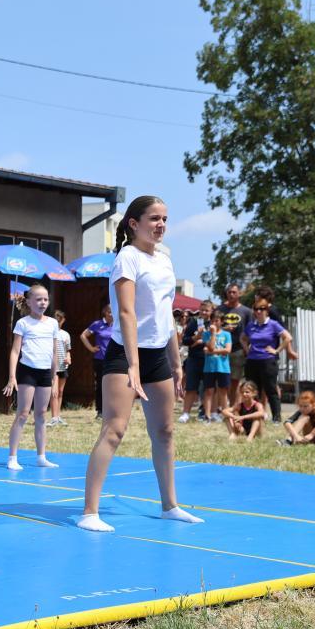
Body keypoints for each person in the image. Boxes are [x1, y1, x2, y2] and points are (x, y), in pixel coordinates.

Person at [76, 196, 203, 533]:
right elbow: (127, 312)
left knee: (165, 431)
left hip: (157, 355)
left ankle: (170, 506)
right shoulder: (127, 258)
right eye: (154, 219)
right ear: (134, 223)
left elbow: (166, 315)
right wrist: (132, 364)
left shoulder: (164, 261)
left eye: (165, 219)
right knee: (114, 430)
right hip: (124, 354)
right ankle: (89, 512)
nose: (161, 225)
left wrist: (176, 363)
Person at [3, 285, 60, 471]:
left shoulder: (53, 323)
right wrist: (12, 376)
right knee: (23, 413)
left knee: (42, 414)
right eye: (38, 299)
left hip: (45, 373)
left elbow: (54, 352)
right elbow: (15, 351)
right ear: (28, 302)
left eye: (45, 299)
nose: (42, 303)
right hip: (27, 371)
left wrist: (54, 378)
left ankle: (41, 456)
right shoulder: (23, 323)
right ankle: (12, 457)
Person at [241, 297, 294, 424]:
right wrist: (247, 350)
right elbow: (242, 338)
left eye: (262, 309)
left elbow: (288, 337)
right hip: (252, 361)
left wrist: (276, 350)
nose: (259, 311)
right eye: (256, 309)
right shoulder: (251, 325)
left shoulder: (273, 324)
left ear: (267, 310)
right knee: (253, 390)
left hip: (268, 361)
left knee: (271, 389)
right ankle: (255, 415)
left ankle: (276, 417)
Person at [178, 299, 213, 423]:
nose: (204, 312)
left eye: (207, 310)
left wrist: (205, 340)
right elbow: (185, 340)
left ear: (211, 311)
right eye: (202, 310)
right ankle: (185, 413)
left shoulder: (213, 323)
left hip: (209, 359)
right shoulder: (194, 322)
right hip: (194, 358)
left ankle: (206, 414)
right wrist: (196, 337)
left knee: (208, 388)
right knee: (191, 387)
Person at [218, 283, 252, 409]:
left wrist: (247, 348)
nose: (231, 294)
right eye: (229, 292)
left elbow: (251, 331)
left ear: (239, 294)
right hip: (220, 350)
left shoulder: (246, 311)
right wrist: (224, 329)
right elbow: (213, 327)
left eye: (234, 292)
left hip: (238, 350)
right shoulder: (220, 309)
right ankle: (221, 407)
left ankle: (233, 408)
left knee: (235, 381)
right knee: (221, 381)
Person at [80, 302, 113, 419]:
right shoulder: (97, 324)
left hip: (114, 360)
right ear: (105, 313)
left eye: (113, 312)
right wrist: (91, 348)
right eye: (110, 312)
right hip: (100, 360)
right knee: (100, 386)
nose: (112, 314)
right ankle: (100, 411)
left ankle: (112, 411)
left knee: (113, 386)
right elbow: (83, 336)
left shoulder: (118, 325)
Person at [199, 308, 231, 423]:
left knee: (223, 391)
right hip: (209, 368)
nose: (214, 323)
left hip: (223, 367)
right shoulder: (206, 334)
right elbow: (211, 346)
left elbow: (227, 350)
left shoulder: (227, 334)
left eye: (217, 321)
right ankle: (207, 416)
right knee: (209, 391)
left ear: (221, 322)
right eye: (212, 321)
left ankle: (226, 415)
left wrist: (211, 352)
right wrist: (213, 334)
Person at [49, 309, 72, 427]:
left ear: (63, 321)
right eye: (56, 320)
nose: (58, 322)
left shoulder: (65, 334)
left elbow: (68, 350)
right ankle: (53, 417)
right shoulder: (48, 333)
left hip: (63, 366)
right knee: (54, 392)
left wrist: (68, 358)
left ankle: (58, 416)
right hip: (52, 367)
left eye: (59, 320)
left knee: (61, 392)